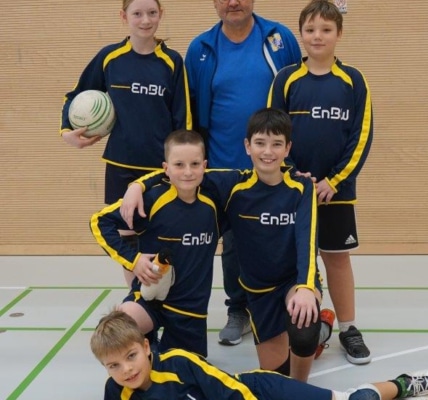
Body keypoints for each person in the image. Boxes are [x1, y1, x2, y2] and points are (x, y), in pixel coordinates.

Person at [121, 108, 336, 381]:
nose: (267, 151)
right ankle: (321, 333)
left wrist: (305, 287)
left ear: (287, 148)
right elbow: (183, 172)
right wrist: (137, 186)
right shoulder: (234, 185)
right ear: (247, 146)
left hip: (295, 281)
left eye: (276, 144)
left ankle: (304, 371)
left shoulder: (302, 188)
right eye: (260, 143)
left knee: (303, 331)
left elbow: (308, 241)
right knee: (274, 376)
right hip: (258, 291)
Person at [184, 0, 302, 346]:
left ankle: (285, 304)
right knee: (233, 244)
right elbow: (190, 109)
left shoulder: (279, 38)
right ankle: (238, 309)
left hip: (273, 165)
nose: (233, 2)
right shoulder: (201, 48)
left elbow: (296, 95)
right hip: (225, 168)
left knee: (281, 239)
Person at [267, 0, 373, 365]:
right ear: (300, 34)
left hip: (335, 194)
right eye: (310, 29)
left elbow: (361, 137)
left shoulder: (353, 80)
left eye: (326, 29)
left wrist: (334, 181)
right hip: (292, 191)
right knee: (292, 260)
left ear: (338, 34)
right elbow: (272, 132)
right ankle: (288, 325)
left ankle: (349, 329)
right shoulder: (286, 79)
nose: (317, 36)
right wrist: (293, 175)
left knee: (337, 259)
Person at [59, 0, 191, 287]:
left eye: (152, 13)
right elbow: (75, 95)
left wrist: (182, 165)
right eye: (137, 14)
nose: (145, 20)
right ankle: (137, 296)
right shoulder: (110, 58)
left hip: (160, 169)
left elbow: (183, 120)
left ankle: (164, 298)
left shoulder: (172, 61)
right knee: (127, 237)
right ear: (124, 16)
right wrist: (67, 130)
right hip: (121, 165)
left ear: (161, 14)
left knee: (162, 235)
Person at [90, 310, 428, 400]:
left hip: (260, 392)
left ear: (147, 348)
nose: (126, 370)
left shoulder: (178, 364)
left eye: (131, 356)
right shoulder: (116, 392)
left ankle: (408, 384)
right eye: (114, 365)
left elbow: (234, 393)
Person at [90, 129, 218, 358]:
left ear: (205, 166)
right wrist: (134, 260)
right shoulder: (153, 199)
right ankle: (146, 344)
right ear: (165, 168)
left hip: (190, 311)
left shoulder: (214, 203)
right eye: (179, 165)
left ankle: (155, 352)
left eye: (195, 164)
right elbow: (99, 222)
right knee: (119, 330)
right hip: (149, 297)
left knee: (181, 373)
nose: (188, 172)